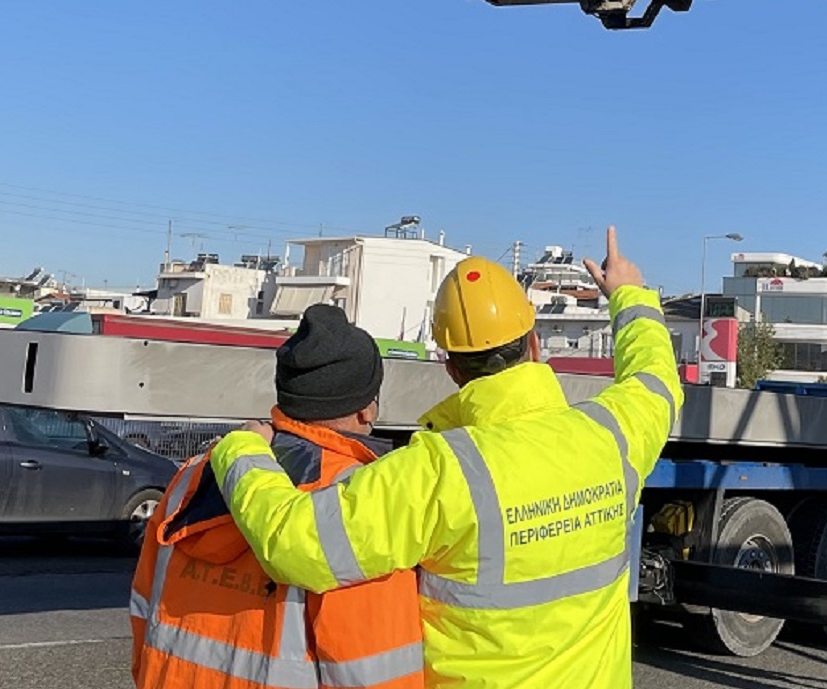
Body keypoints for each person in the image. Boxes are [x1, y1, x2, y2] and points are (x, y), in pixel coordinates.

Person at [208, 227, 680, 689]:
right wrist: (628, 294)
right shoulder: (611, 436)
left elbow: (297, 544)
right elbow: (656, 379)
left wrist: (243, 448)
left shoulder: (438, 471)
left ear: (450, 366)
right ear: (534, 344)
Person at [131, 305, 424, 688]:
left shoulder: (193, 476)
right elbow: (374, 671)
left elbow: (144, 611)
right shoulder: (362, 500)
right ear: (367, 409)